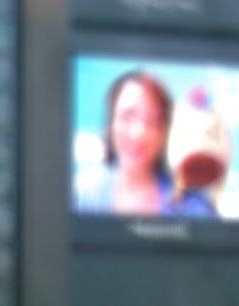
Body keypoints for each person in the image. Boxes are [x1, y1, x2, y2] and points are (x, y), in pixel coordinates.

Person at [72, 70, 217, 220]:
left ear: (165, 132)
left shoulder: (193, 207)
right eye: (127, 116)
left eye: (152, 121)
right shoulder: (84, 193)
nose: (138, 134)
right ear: (111, 123)